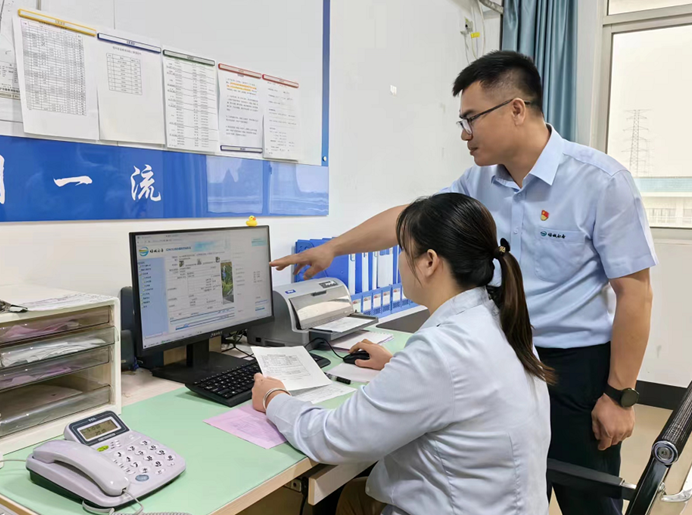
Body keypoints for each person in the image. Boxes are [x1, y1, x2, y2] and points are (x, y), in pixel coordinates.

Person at [270, 51, 657, 515]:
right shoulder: (480, 182)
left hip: (576, 369)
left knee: (589, 501)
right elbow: (414, 219)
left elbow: (635, 294)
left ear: (516, 109)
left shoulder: (601, 181)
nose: (464, 134)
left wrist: (619, 396)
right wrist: (334, 248)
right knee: (515, 486)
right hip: (505, 353)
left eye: (471, 118)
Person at [253, 193, 551, 515]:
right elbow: (467, 384)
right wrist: (397, 366)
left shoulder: (440, 351)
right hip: (507, 503)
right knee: (354, 495)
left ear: (429, 262)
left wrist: (274, 397)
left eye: (403, 250)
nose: (399, 261)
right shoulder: (499, 318)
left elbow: (333, 437)